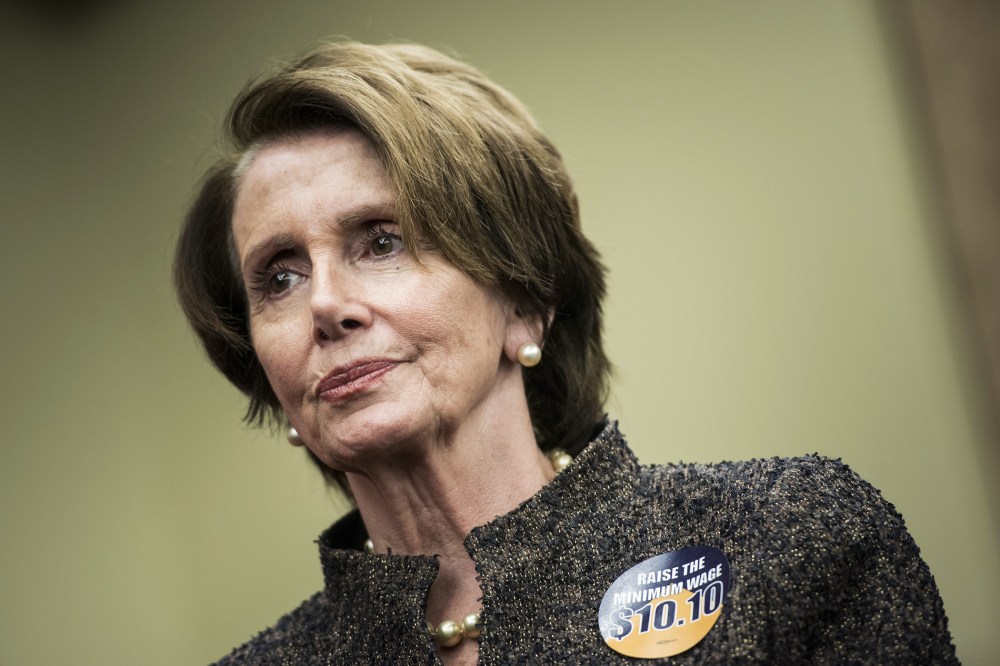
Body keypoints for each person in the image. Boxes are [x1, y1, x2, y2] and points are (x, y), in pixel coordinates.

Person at [175, 41, 958, 665]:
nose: (325, 305)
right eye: (278, 277)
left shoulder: (790, 542)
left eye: (382, 242)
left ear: (524, 301)